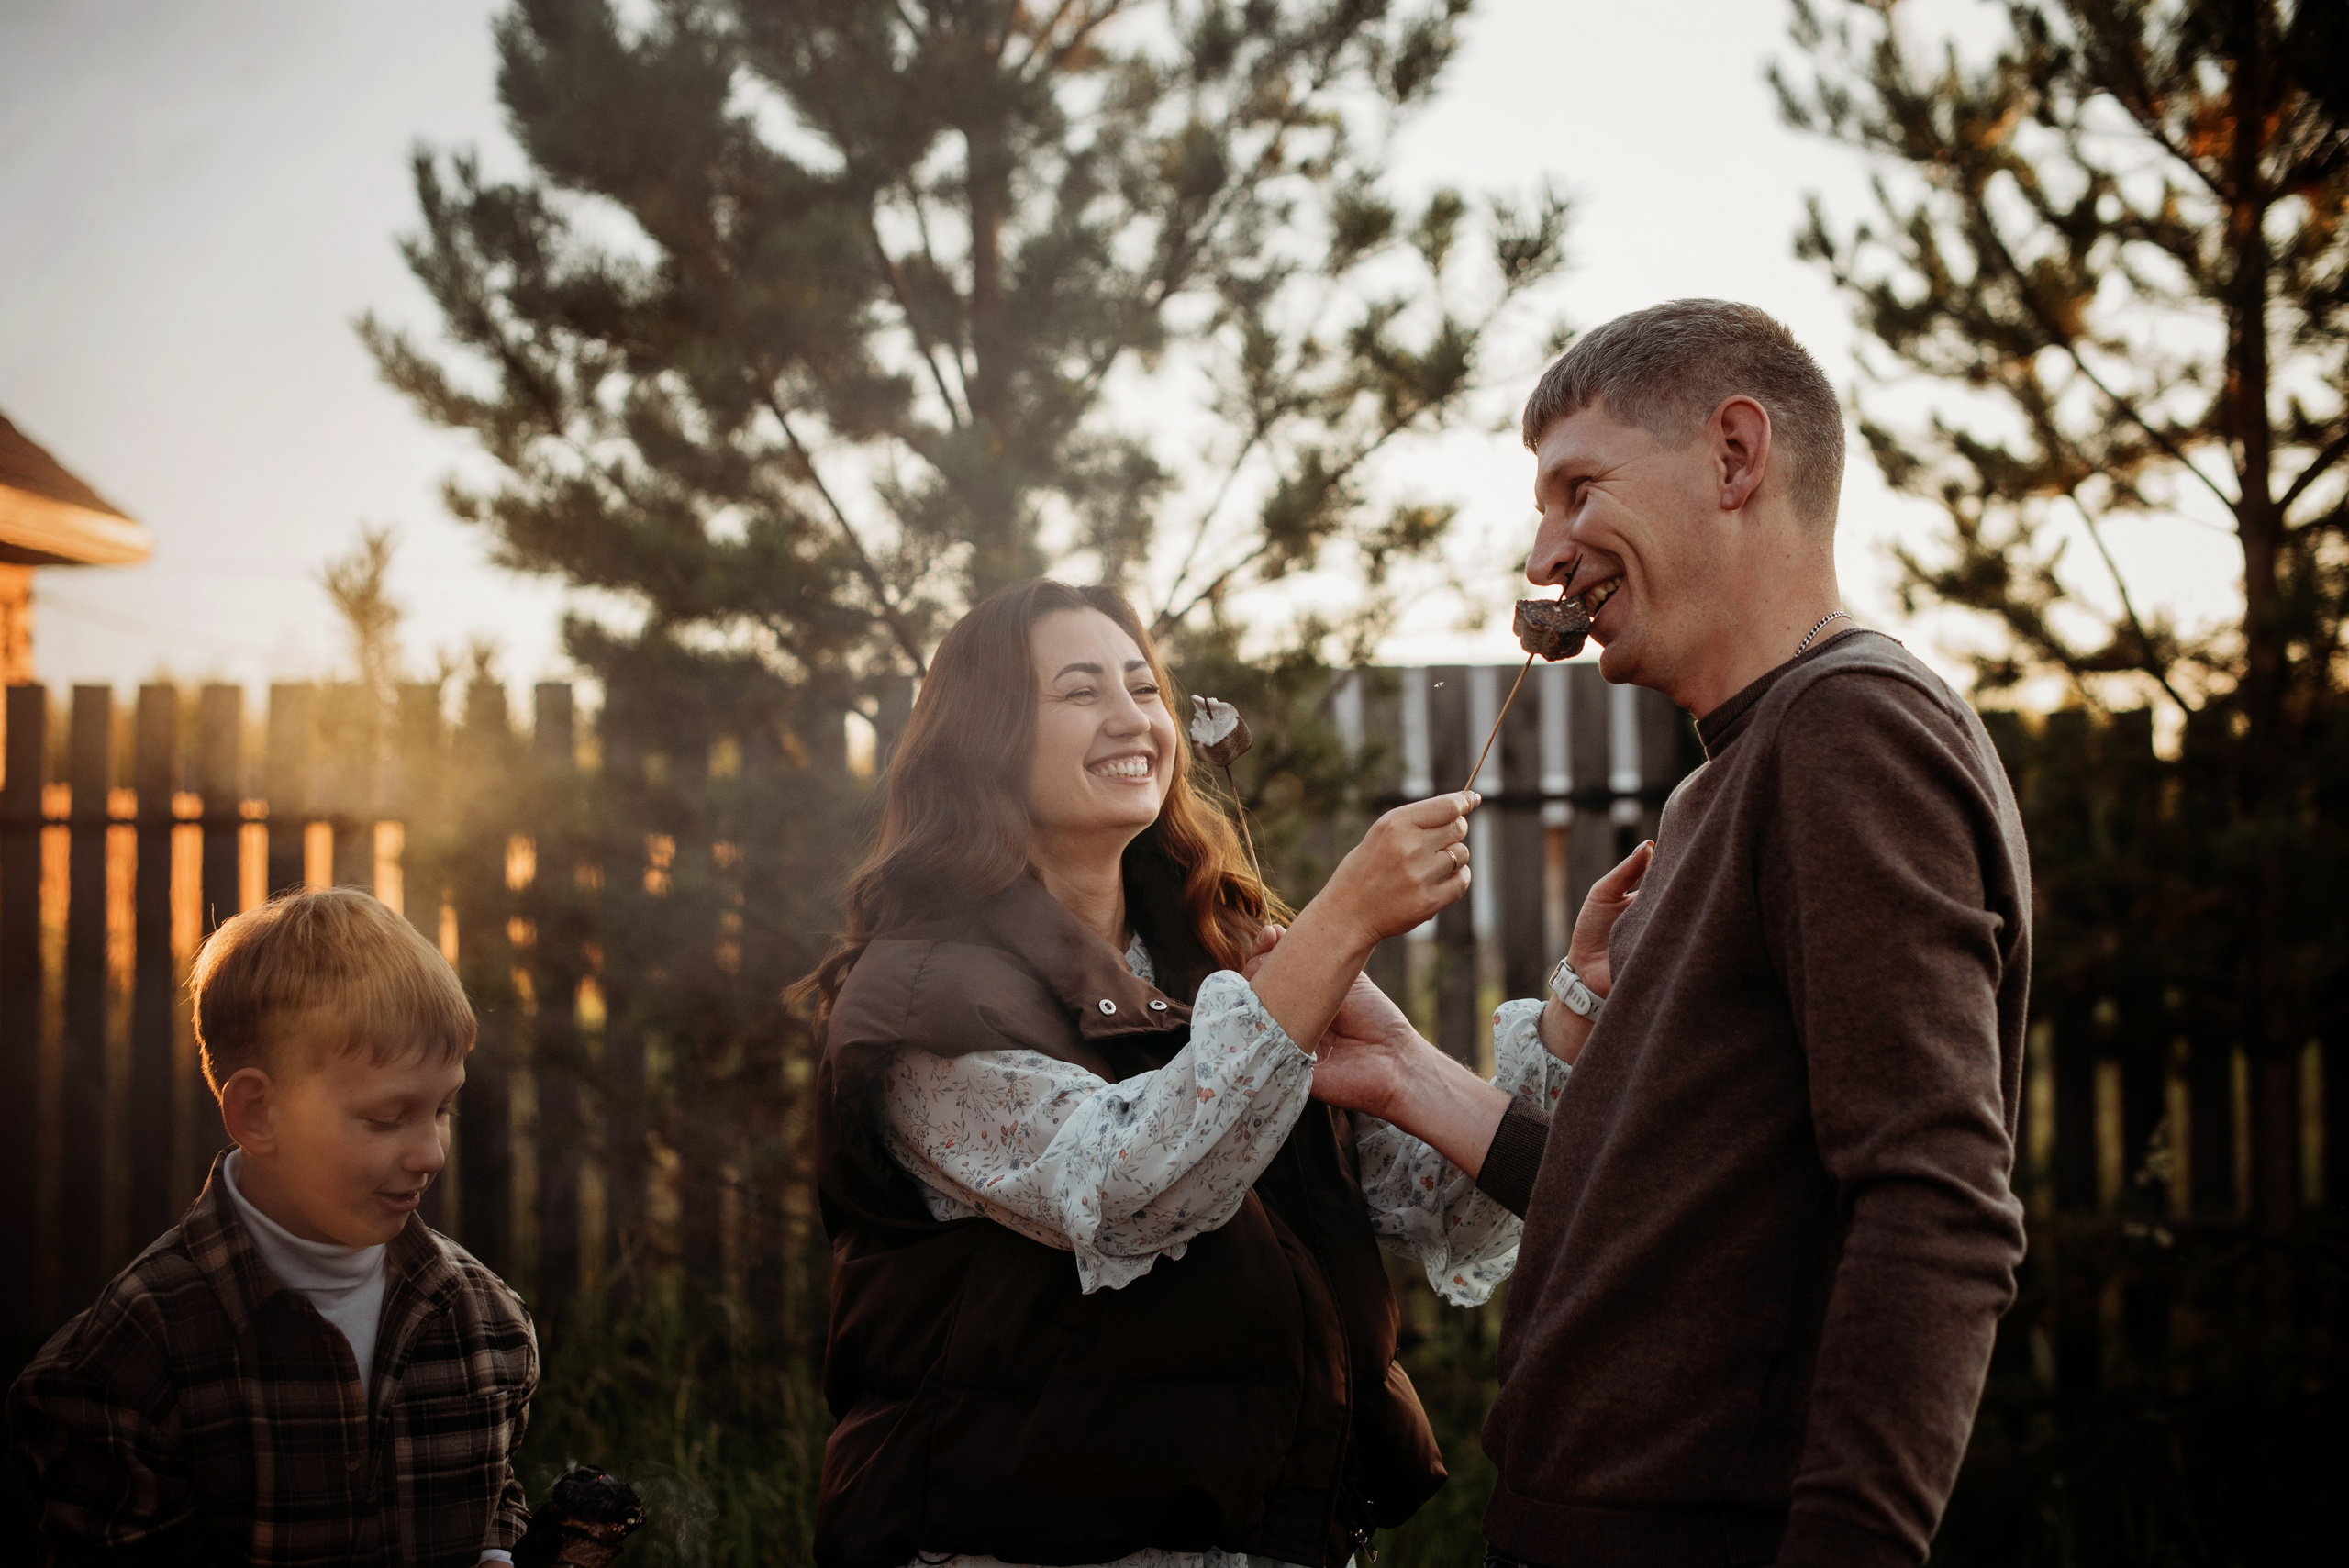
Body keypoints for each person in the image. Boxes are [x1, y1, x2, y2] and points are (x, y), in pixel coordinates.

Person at [1310, 299, 2033, 1568]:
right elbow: (1657, 1204)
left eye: (1579, 488)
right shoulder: (1724, 778)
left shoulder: (1848, 734)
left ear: (1736, 456)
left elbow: (1934, 1201)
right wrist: (1406, 1072)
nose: (1546, 557)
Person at [807, 578, 1614, 1568]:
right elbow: (1137, 1184)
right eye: (1078, 691)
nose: (1131, 717)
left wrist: (1573, 1008)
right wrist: (1342, 921)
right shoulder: (926, 996)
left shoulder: (1221, 957)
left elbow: (1439, 1213)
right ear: (987, 738)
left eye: (1144, 687)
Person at [9, 887, 539, 1567]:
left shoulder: (487, 1324)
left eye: (442, 1108)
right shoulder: (133, 1359)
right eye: (387, 1117)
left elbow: (491, 1498)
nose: (431, 1153)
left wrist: (497, 1552)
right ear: (257, 1113)